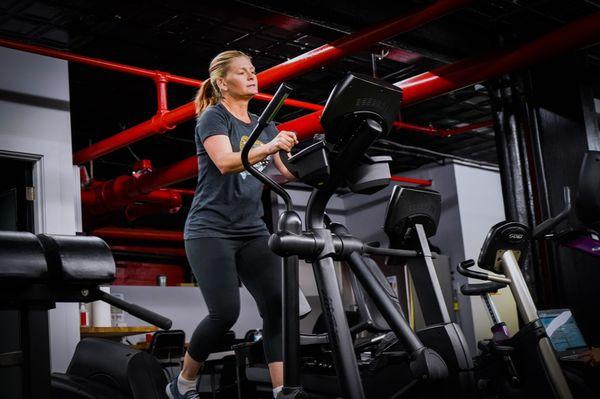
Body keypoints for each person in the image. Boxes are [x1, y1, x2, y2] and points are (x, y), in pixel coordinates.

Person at [166, 50, 298, 399]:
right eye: (243, 72)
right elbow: (225, 162)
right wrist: (269, 146)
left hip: (251, 228)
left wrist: (331, 157)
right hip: (210, 229)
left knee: (277, 306)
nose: (253, 77)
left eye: (253, 71)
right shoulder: (213, 117)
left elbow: (288, 174)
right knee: (225, 313)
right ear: (223, 83)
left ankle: (282, 389)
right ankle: (182, 383)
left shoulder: (265, 123)